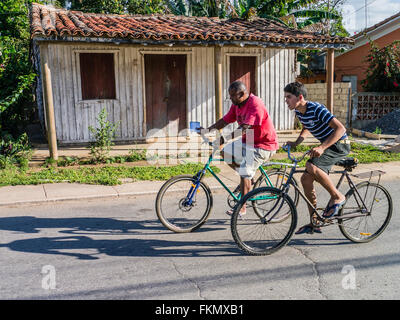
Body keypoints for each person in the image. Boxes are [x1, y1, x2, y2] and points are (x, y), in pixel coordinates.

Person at [201, 81, 279, 215]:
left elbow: (244, 128)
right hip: (248, 141)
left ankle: (242, 207)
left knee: (244, 170)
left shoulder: (255, 104)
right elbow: (225, 121)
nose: (230, 99)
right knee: (225, 152)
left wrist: (224, 138)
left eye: (232, 96)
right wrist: (207, 130)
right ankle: (249, 179)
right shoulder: (237, 105)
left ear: (242, 94)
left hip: (263, 145)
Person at [283, 81, 350, 234]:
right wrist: (296, 142)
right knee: (305, 179)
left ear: (300, 97)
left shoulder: (317, 108)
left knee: (311, 166)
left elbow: (341, 129)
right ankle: (315, 221)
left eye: (288, 97)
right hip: (327, 145)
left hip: (340, 145)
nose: (286, 100)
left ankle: (337, 197)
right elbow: (307, 126)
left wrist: (322, 147)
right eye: (285, 97)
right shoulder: (299, 111)